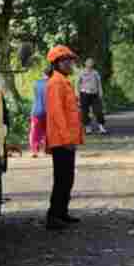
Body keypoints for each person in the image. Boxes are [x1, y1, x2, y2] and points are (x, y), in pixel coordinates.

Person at [43, 45, 84, 231]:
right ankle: (53, 216)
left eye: (70, 60)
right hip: (61, 140)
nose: (70, 64)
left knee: (67, 178)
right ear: (57, 63)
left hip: (67, 139)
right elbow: (56, 113)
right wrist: (67, 138)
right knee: (62, 178)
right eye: (66, 61)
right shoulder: (56, 83)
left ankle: (62, 212)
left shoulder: (63, 81)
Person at [78, 59, 108, 134]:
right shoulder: (81, 72)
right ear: (85, 63)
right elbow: (77, 83)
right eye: (88, 62)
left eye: (91, 62)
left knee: (98, 111)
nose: (90, 64)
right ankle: (88, 128)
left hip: (94, 94)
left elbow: (99, 83)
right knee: (84, 112)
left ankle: (101, 127)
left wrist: (101, 92)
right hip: (84, 93)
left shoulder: (95, 73)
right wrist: (77, 94)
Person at [29, 67, 50, 157]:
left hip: (36, 110)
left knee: (35, 132)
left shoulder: (36, 83)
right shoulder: (52, 83)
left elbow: (36, 96)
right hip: (48, 111)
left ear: (43, 74)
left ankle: (34, 150)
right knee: (47, 131)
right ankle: (46, 149)